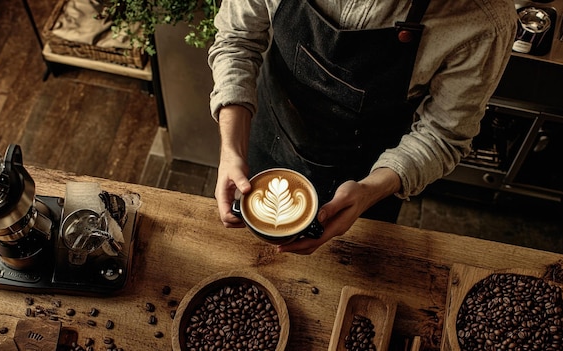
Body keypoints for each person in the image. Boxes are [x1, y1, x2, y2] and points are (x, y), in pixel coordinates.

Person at [208, 0, 517, 255]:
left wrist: (370, 191)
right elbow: (237, 40)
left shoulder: (484, 20)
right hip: (269, 136)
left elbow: (443, 135)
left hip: (363, 180)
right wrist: (231, 148)